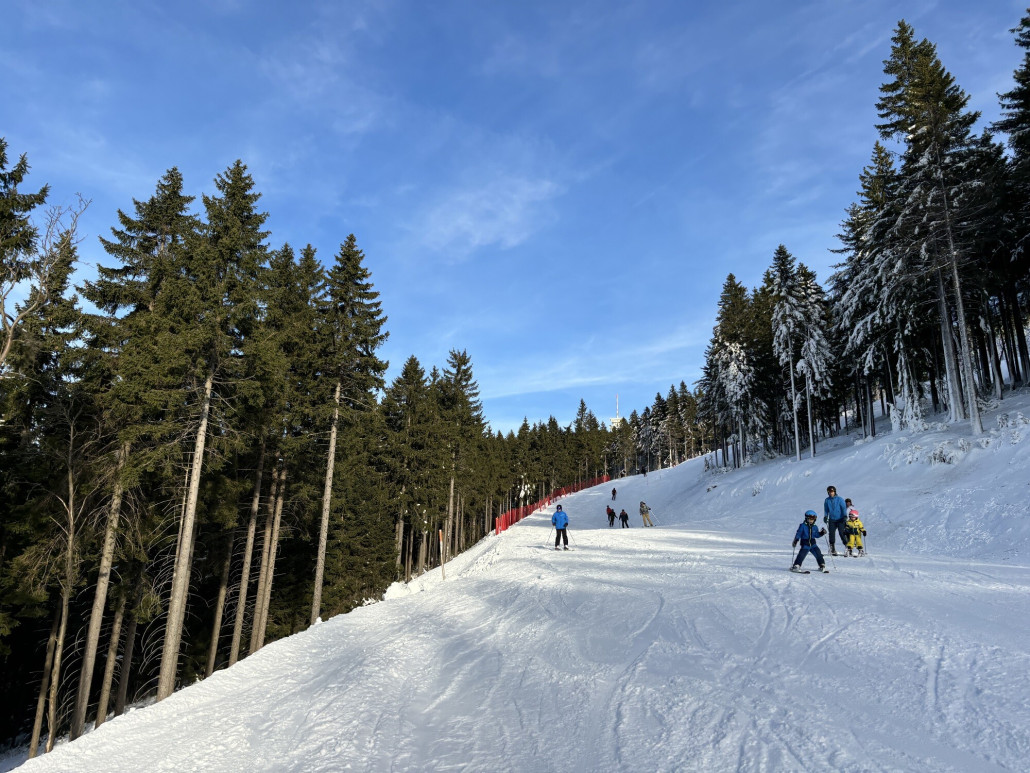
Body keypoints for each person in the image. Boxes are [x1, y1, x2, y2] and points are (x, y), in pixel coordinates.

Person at [823, 485, 848, 556]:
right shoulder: (827, 500)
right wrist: (825, 516)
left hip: (840, 519)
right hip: (832, 519)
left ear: (835, 492)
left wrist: (845, 516)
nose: (831, 493)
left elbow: (843, 508)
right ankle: (832, 548)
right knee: (831, 534)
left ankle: (847, 547)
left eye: (832, 492)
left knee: (841, 533)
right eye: (829, 492)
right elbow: (826, 509)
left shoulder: (840, 499)